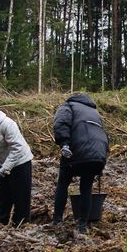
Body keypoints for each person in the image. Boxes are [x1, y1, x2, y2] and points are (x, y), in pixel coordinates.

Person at [52, 93, 109, 233]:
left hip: (76, 151)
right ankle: (82, 225)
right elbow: (102, 133)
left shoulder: (68, 106)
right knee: (86, 187)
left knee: (63, 183)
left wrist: (64, 144)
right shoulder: (95, 112)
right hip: (97, 154)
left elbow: (60, 124)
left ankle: (57, 220)